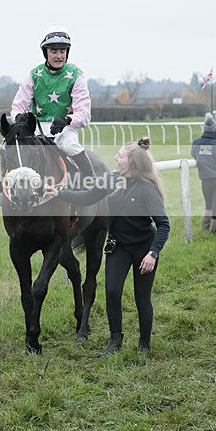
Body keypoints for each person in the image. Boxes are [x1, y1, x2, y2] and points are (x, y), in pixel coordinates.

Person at [45, 138, 170, 354]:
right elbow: (87, 196)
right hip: (118, 246)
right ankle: (115, 342)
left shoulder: (148, 190)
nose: (115, 158)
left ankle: (144, 344)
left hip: (144, 249)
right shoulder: (111, 180)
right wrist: (59, 192)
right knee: (112, 292)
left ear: (131, 162)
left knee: (142, 297)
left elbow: (163, 225)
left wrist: (153, 253)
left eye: (120, 156)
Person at [10, 29, 94, 178]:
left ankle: (91, 180)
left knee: (70, 146)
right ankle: (6, 182)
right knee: (13, 145)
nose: (59, 56)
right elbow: (18, 105)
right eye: (54, 51)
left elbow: (85, 114)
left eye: (62, 51)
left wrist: (67, 119)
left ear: (67, 53)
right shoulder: (34, 74)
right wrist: (18, 118)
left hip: (64, 129)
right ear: (46, 53)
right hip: (36, 128)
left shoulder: (76, 76)